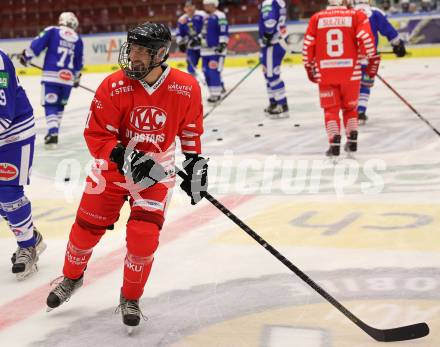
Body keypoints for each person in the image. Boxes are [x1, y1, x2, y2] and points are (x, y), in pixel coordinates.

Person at [45, 23, 208, 332]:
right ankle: (71, 278)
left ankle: (130, 297)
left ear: (160, 54)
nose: (132, 56)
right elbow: (96, 136)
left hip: (155, 173)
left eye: (141, 51)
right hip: (112, 170)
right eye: (131, 48)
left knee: (143, 238)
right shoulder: (113, 86)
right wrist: (125, 156)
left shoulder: (186, 87)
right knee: (85, 230)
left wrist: (195, 162)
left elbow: (190, 128)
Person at [302, 0, 380, 157]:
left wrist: (309, 66)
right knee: (350, 108)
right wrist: (371, 59)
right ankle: (352, 139)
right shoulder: (356, 15)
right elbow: (366, 39)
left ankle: (334, 142)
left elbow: (308, 45)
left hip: (326, 72)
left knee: (331, 110)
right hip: (351, 72)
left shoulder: (317, 18)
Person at [0, 49, 46, 279]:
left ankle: (27, 245)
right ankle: (31, 236)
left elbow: (4, 114)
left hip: (13, 133)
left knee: (8, 192)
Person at [19, 12, 84, 148]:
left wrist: (26, 56)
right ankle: (54, 131)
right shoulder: (78, 39)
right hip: (67, 80)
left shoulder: (52, 31)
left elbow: (37, 44)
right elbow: (79, 62)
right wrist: (76, 78)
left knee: (50, 104)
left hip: (51, 76)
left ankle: (53, 132)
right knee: (60, 105)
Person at [354, 0, 406, 124]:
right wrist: (398, 45)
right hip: (369, 57)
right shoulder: (375, 13)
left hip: (350, 59)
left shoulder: (347, 13)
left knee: (351, 85)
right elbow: (389, 30)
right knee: (365, 84)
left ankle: (350, 113)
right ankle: (360, 112)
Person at [259, 0, 290, 119]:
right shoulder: (279, 2)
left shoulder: (269, 2)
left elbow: (270, 21)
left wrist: (267, 35)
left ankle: (282, 104)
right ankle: (274, 102)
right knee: (269, 74)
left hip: (273, 43)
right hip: (278, 41)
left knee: (272, 75)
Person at [201, 0, 229, 103]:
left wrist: (222, 43)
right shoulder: (205, 17)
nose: (205, 6)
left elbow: (223, 29)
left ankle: (216, 94)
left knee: (213, 72)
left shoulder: (220, 15)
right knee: (206, 72)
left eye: (207, 4)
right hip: (205, 51)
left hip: (216, 51)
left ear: (213, 4)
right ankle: (212, 92)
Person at [176, 1, 206, 83]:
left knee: (207, 68)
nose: (189, 8)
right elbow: (179, 34)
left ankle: (218, 84)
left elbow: (207, 28)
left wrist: (199, 38)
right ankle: (194, 84)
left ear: (194, 6)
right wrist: (180, 43)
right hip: (191, 48)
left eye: (191, 6)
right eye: (187, 7)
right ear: (184, 9)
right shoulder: (182, 19)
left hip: (204, 47)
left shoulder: (202, 15)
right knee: (191, 68)